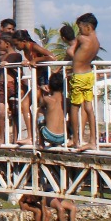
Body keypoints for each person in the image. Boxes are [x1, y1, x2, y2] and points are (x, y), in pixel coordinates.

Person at [69, 13, 100, 152]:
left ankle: (75, 140)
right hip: (88, 74)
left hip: (79, 75)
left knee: (74, 108)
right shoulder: (96, 42)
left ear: (88, 27)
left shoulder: (82, 39)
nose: (79, 31)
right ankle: (92, 140)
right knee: (89, 107)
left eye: (80, 27)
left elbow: (71, 51)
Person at [38, 72, 67, 149]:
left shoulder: (47, 99)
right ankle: (68, 139)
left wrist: (42, 91)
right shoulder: (66, 101)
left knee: (40, 111)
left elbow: (40, 104)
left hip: (48, 135)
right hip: (63, 137)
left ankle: (41, 142)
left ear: (50, 86)